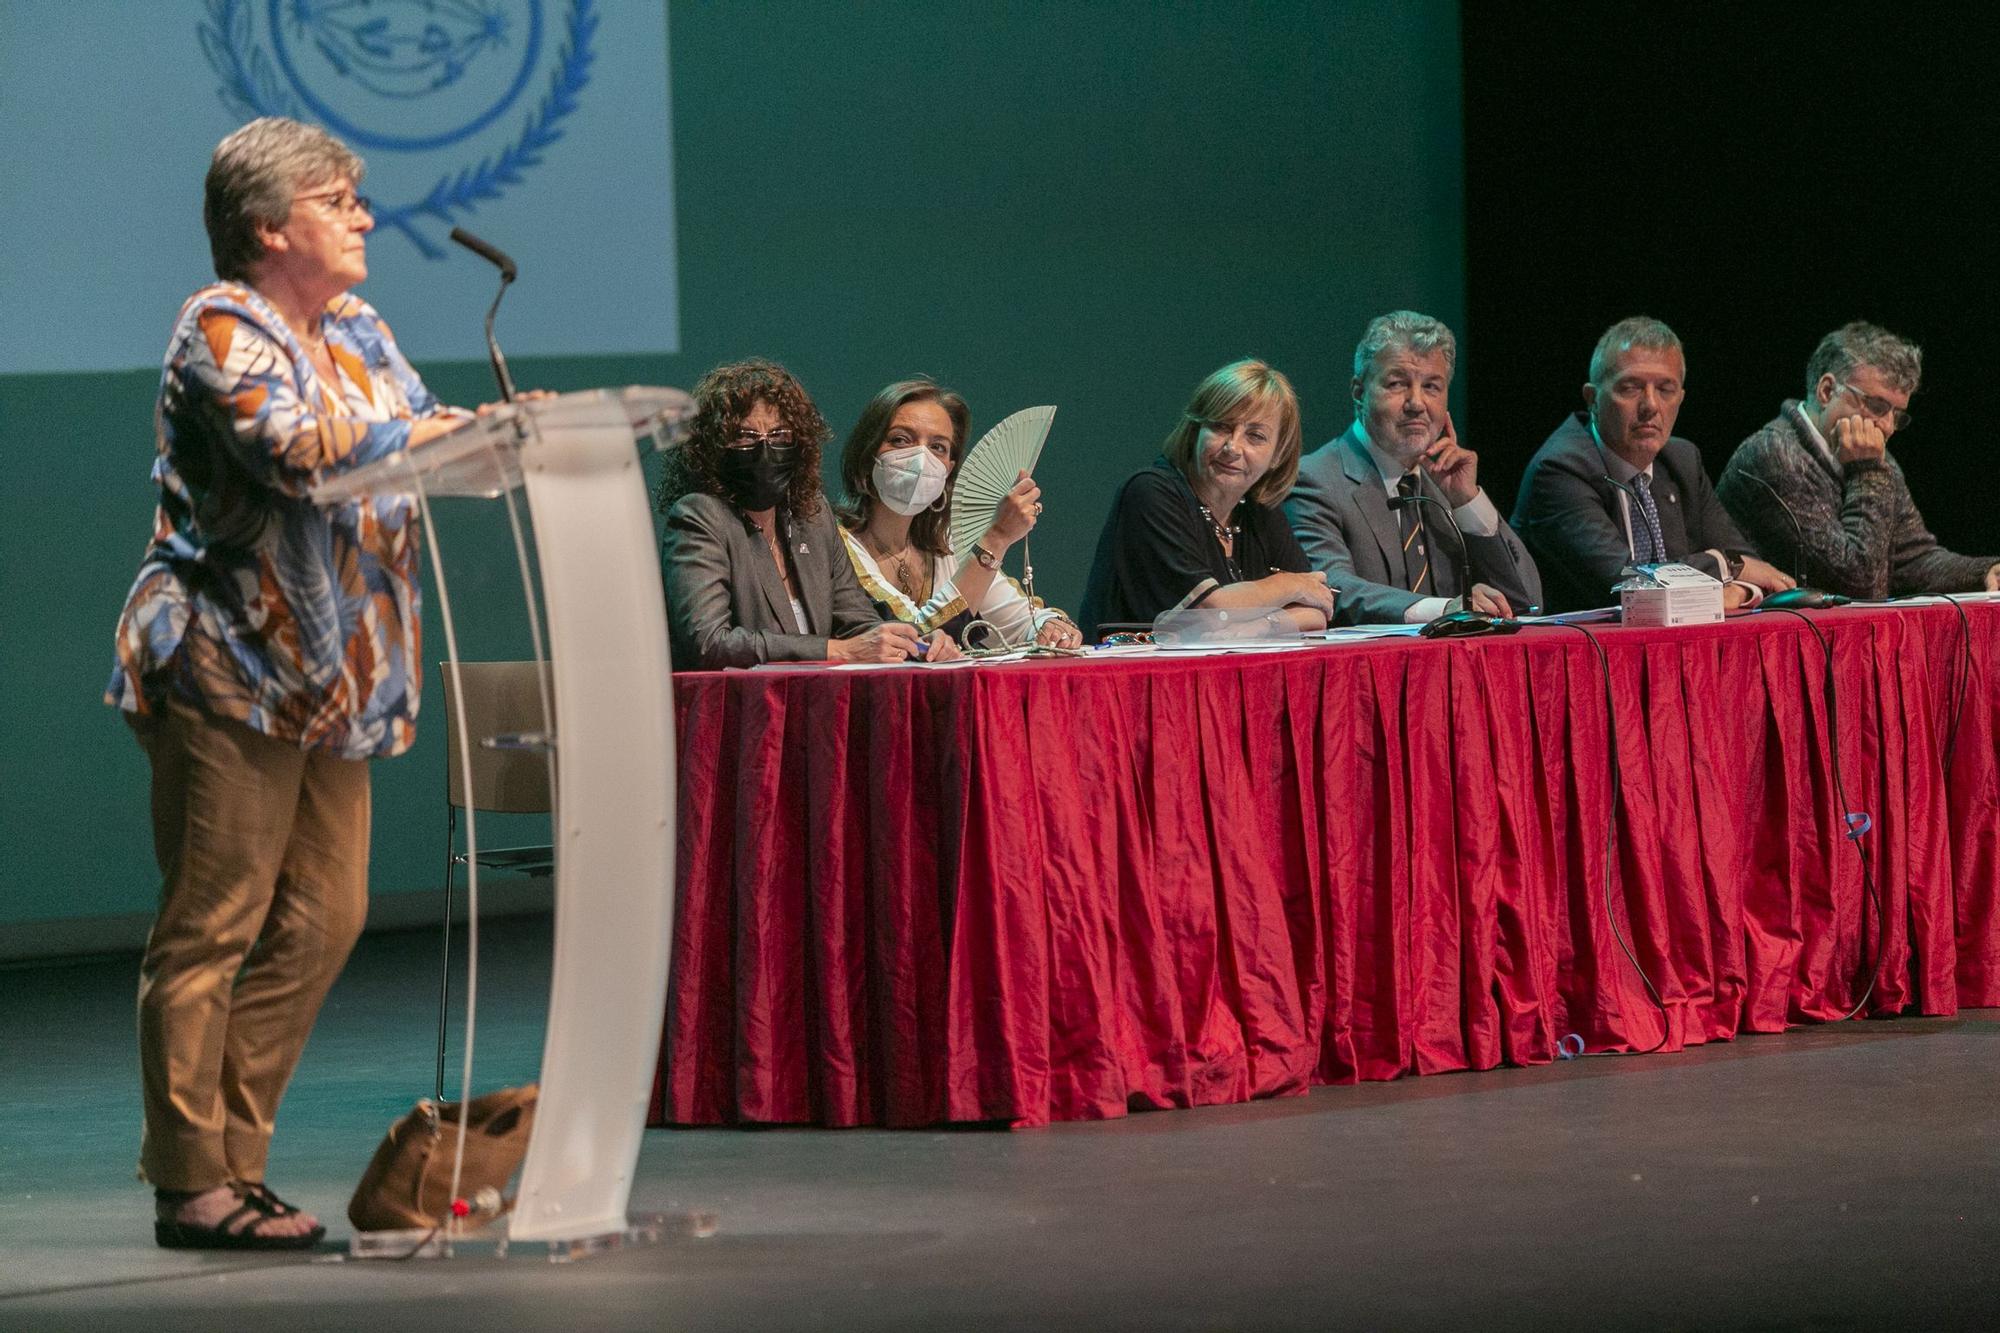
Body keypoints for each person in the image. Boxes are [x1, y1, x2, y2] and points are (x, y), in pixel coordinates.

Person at [105, 117, 483, 1249]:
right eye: (338, 200)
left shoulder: (357, 323)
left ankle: (234, 1155)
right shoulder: (219, 324)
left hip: (332, 680)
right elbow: (298, 446)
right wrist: (424, 433)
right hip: (227, 664)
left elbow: (418, 430)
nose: (364, 217)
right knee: (212, 923)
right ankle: (192, 1181)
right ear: (271, 226)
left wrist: (487, 435)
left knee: (326, 915)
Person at [659, 359, 951, 668]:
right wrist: (837, 650)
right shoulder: (700, 517)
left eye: (779, 435)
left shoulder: (811, 515)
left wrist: (914, 641)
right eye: (745, 436)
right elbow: (710, 642)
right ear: (713, 447)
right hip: (743, 710)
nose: (765, 450)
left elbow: (858, 622)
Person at [1511, 316, 1795, 612]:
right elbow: (1626, 584)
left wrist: (1738, 588)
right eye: (1631, 388)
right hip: (1579, 652)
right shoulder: (1560, 469)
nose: (1651, 406)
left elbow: (1757, 572)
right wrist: (1724, 565)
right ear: (1592, 398)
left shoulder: (1682, 460)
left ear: (1681, 398)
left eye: (1665, 389)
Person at [1285, 311, 1541, 624]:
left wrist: (1467, 500)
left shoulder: (1444, 483)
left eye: (1432, 387)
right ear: (1359, 393)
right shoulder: (1315, 479)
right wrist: (1443, 610)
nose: (1416, 403)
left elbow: (1527, 601)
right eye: (1397, 384)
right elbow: (1330, 588)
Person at [1717, 321, 2000, 599]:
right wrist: (1867, 473)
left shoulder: (1873, 458)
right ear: (1827, 391)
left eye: (1897, 414)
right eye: (1877, 406)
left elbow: (1913, 560)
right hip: (1774, 640)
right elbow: (1856, 583)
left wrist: (1983, 571)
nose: (1888, 426)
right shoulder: (1774, 456)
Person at [1079, 359, 1333, 638]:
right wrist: (1288, 584)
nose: (1233, 447)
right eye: (1221, 426)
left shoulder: (1259, 511)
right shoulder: (1150, 492)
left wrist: (1254, 628)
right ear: (1195, 430)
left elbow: (1317, 609)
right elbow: (1210, 612)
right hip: (1137, 676)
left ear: (1278, 455)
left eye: (1255, 436)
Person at [836, 378, 1082, 650]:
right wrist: (997, 538)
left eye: (937, 447)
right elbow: (915, 640)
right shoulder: (836, 543)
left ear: (949, 469)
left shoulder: (945, 542)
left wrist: (1052, 627)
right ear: (868, 453)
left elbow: (1023, 621)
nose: (920, 458)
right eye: (900, 440)